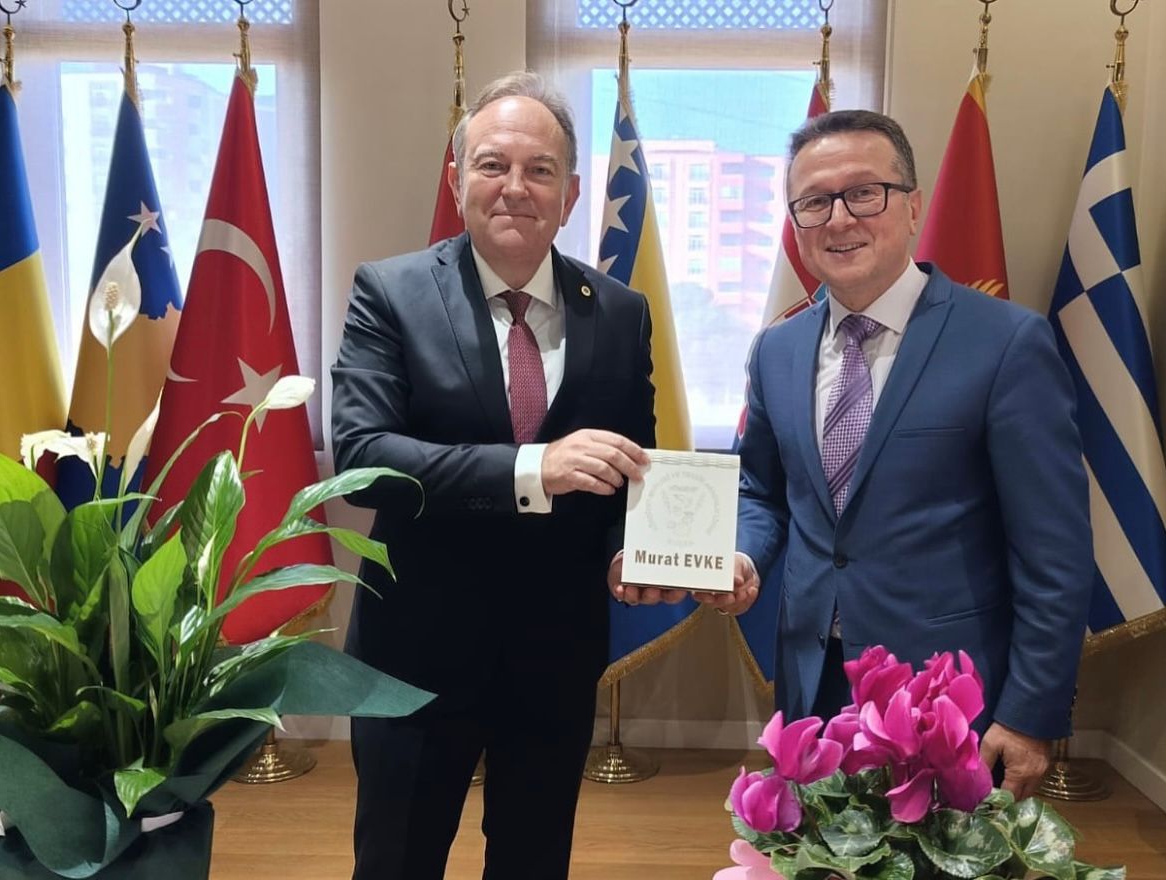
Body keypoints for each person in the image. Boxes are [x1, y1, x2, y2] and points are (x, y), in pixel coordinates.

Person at [702, 110, 1092, 800]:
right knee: (814, 850)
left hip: (946, 695)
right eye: (814, 202)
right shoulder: (776, 350)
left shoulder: (1006, 343)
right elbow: (760, 489)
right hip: (812, 679)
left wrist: (1030, 714)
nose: (839, 218)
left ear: (913, 207)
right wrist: (742, 556)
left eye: (864, 193)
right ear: (795, 224)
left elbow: (1053, 553)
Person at [331, 72, 655, 880]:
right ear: (457, 180)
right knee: (397, 863)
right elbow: (363, 459)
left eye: (540, 170)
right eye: (492, 165)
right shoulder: (391, 292)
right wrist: (532, 467)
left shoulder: (620, 312)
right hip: (414, 657)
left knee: (533, 863)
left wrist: (639, 550)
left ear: (570, 194)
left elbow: (632, 471)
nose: (516, 187)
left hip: (556, 656)